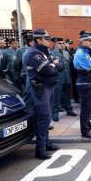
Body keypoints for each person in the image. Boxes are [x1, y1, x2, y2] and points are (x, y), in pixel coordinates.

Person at [22, 29, 62, 159]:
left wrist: (53, 65)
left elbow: (61, 66)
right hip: (41, 89)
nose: (49, 41)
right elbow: (48, 70)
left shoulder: (45, 52)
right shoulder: (33, 54)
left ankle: (46, 143)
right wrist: (53, 65)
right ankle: (40, 149)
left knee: (47, 117)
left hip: (49, 87)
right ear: (39, 40)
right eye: (47, 39)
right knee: (44, 117)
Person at [74, 32, 91, 139]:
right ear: (83, 41)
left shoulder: (88, 51)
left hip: (89, 81)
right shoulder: (81, 53)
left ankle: (88, 124)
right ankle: (85, 131)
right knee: (85, 107)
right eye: (88, 40)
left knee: (89, 106)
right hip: (84, 81)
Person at [50, 37, 76, 122]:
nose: (61, 45)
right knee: (57, 97)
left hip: (67, 77)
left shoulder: (66, 53)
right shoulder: (51, 53)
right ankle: (55, 114)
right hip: (58, 78)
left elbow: (68, 65)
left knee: (67, 96)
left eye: (62, 43)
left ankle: (69, 110)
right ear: (55, 44)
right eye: (59, 43)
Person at [66, 39, 79, 103]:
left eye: (71, 44)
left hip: (74, 71)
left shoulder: (75, 51)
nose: (70, 45)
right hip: (67, 71)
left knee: (75, 85)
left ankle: (76, 98)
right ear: (66, 44)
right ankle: (67, 99)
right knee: (67, 86)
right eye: (69, 43)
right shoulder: (64, 51)